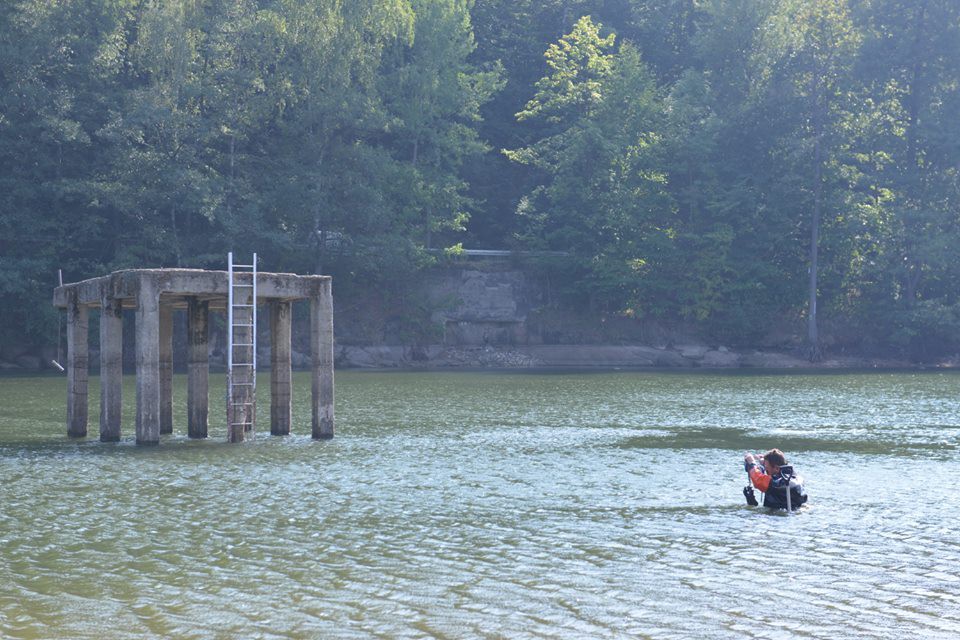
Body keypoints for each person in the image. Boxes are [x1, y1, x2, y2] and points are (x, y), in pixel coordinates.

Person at [743, 448, 808, 510]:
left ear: (776, 468)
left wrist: (752, 463)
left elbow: (759, 481)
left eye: (766, 468)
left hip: (781, 515)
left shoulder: (779, 483)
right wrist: (751, 501)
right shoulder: (796, 478)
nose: (766, 471)